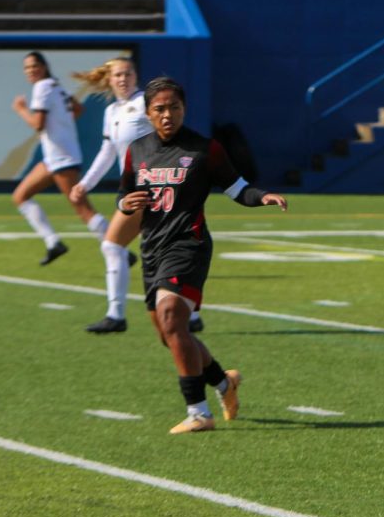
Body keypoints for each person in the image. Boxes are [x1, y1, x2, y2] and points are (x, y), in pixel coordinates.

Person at [117, 76, 287, 434]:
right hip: (152, 247)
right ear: (147, 113)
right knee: (170, 334)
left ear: (184, 109)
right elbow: (125, 194)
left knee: (170, 316)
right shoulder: (137, 150)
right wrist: (125, 203)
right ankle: (225, 383)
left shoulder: (204, 149)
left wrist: (263, 197)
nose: (167, 115)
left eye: (174, 107)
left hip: (188, 245)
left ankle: (199, 413)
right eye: (159, 109)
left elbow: (237, 188)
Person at [68, 57, 203, 335]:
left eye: (128, 73)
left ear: (135, 76)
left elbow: (172, 132)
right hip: (136, 191)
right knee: (154, 251)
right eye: (118, 74)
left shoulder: (145, 102)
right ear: (110, 79)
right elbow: (108, 153)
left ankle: (116, 315)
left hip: (155, 188)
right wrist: (85, 183)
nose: (123, 78)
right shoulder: (113, 111)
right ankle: (188, 317)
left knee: (116, 245)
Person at [11, 51, 109, 265]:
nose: (30, 71)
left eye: (34, 66)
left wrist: (21, 110)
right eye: (26, 68)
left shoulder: (42, 87)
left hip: (62, 158)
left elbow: (38, 124)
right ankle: (53, 242)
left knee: (83, 209)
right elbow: (78, 108)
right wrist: (61, 125)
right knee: (21, 196)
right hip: (56, 157)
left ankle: (116, 245)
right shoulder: (55, 85)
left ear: (44, 66)